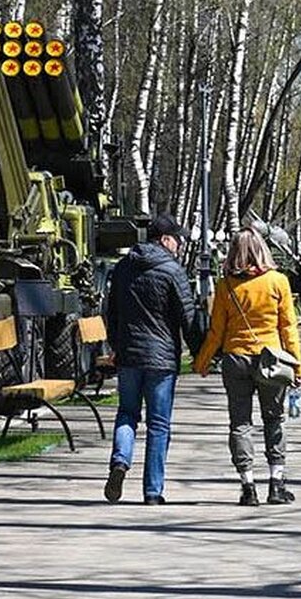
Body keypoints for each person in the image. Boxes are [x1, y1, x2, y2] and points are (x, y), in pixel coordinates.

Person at [193, 228, 301, 506]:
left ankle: (248, 485)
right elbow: (288, 328)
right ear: (262, 249)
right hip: (272, 359)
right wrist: (297, 366)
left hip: (236, 358)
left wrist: (203, 361)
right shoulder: (278, 281)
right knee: (274, 419)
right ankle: (276, 484)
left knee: (240, 423)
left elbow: (216, 331)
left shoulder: (225, 286)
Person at [103, 213, 201, 505]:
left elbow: (112, 310)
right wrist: (201, 354)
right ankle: (153, 492)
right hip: (161, 360)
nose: (181, 244)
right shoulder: (172, 270)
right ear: (165, 239)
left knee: (127, 413)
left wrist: (116, 344)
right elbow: (189, 316)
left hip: (129, 356)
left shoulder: (123, 268)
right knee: (159, 424)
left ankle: (120, 461)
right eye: (178, 239)